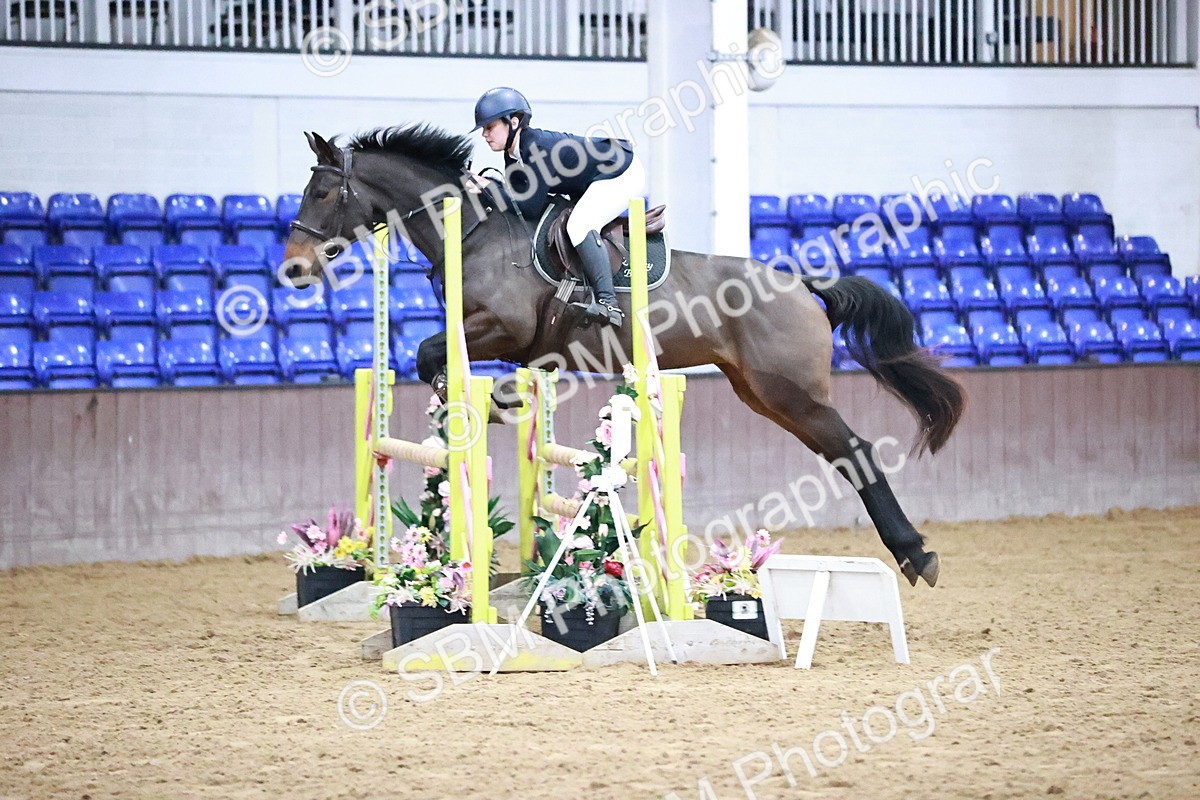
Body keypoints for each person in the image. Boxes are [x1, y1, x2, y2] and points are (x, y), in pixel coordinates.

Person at [469, 86, 645, 328]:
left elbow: (528, 206)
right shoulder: (513, 155)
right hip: (593, 177)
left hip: (620, 171)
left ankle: (609, 304)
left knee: (580, 224)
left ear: (513, 121)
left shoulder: (537, 148)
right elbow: (517, 203)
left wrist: (489, 187)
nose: (485, 135)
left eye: (489, 127)